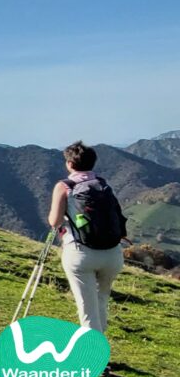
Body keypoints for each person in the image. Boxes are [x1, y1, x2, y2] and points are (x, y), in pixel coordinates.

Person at [48, 141, 127, 333]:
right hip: (112, 254)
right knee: (100, 302)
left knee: (87, 308)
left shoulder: (64, 186)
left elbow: (54, 221)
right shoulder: (102, 184)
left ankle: (96, 360)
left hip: (81, 253)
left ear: (69, 163)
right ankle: (101, 349)